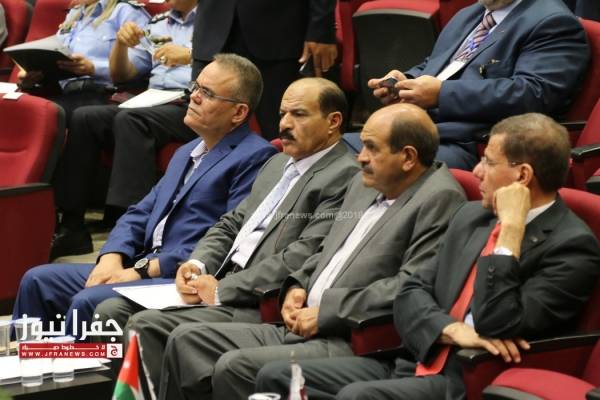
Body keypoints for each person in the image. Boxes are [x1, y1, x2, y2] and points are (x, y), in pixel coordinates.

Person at [255, 113, 600, 400]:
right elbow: (411, 291)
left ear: (522, 176)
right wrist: (448, 329)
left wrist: (510, 233)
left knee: (359, 397)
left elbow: (498, 322)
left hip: (469, 377)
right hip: (415, 352)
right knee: (277, 376)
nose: (476, 172)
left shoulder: (571, 247)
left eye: (488, 162)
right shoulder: (472, 216)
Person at [146, 103, 467, 400]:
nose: (360, 157)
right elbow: (325, 251)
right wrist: (297, 286)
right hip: (298, 321)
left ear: (408, 157)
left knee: (235, 366)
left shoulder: (438, 198)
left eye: (372, 148)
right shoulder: (366, 183)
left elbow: (407, 287)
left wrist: (325, 311)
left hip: (352, 337)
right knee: (188, 340)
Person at [95, 77, 360, 396]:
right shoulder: (277, 163)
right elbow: (230, 224)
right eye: (282, 114)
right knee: (110, 312)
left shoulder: (344, 175)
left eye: (299, 114)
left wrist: (223, 289)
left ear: (333, 121)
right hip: (218, 282)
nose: (285, 124)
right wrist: (197, 265)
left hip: (258, 301)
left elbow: (301, 256)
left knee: (146, 326)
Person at [12, 54, 278, 339]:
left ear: (238, 113)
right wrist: (111, 258)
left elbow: (229, 239)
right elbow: (140, 213)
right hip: (142, 264)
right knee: (38, 280)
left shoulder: (255, 157)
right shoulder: (186, 151)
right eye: (195, 87)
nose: (194, 97)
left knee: (88, 301)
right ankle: (27, 363)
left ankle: (75, 369)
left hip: (180, 278)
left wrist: (141, 270)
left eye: (208, 93)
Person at [50, 0, 198, 259]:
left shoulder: (216, 22)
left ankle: (130, 232)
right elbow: (123, 75)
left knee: (131, 119)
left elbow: (233, 66)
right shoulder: (158, 22)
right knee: (86, 117)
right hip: (153, 99)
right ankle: (72, 226)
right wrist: (120, 44)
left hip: (191, 102)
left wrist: (189, 55)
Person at [368, 0, 589, 170]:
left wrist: (441, 94)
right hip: (416, 129)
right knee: (349, 154)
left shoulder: (553, 23)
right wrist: (406, 81)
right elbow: (439, 65)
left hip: (471, 144)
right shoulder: (471, 13)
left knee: (364, 164)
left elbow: (531, 93)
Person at [192, 0, 338, 139]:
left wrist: (321, 28)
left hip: (279, 31)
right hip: (211, 26)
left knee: (283, 131)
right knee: (201, 129)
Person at [18, 0, 150, 122]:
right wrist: (35, 74)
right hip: (62, 92)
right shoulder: (75, 12)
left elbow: (137, 67)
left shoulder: (127, 11)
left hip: (102, 94)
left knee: (34, 114)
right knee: (19, 107)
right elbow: (56, 53)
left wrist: (93, 68)